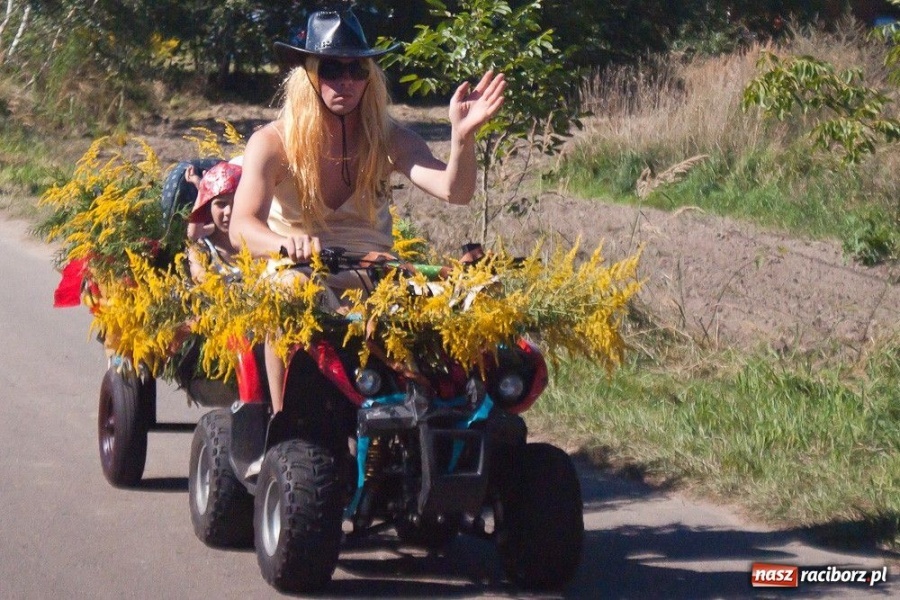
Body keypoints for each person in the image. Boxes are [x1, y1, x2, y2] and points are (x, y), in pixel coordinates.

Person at [229, 7, 506, 416]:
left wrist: (461, 138)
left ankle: (444, 411)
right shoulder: (273, 142)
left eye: (357, 70)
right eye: (332, 68)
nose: (345, 81)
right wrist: (286, 245)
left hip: (375, 268)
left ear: (369, 76)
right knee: (291, 291)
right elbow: (240, 228)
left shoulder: (389, 137)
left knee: (460, 302)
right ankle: (286, 421)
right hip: (301, 269)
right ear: (307, 73)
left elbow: (455, 190)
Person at [185, 160, 242, 282]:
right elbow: (193, 235)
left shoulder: (257, 240)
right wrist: (202, 191)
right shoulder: (201, 250)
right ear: (208, 208)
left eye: (237, 203)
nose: (228, 211)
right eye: (221, 204)